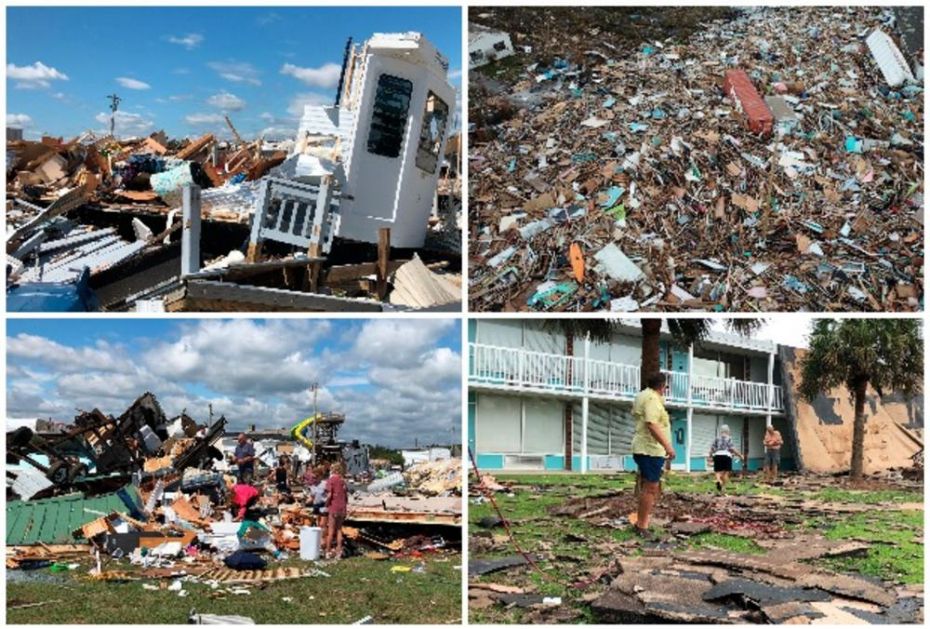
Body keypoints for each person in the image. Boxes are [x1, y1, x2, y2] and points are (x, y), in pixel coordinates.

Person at [630, 373, 675, 538]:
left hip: (645, 448)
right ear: (663, 386)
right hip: (650, 449)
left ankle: (641, 521)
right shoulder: (652, 399)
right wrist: (668, 446)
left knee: (647, 485)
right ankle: (641, 525)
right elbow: (652, 424)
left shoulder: (643, 395)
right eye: (665, 387)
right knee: (651, 487)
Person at [707, 425, 743, 494]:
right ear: (728, 431)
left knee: (717, 471)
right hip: (726, 456)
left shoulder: (716, 438)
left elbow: (712, 449)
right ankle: (723, 488)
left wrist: (710, 456)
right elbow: (732, 449)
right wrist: (740, 455)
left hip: (717, 455)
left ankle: (718, 480)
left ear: (721, 431)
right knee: (726, 473)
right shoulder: (729, 438)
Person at [323, 462, 348, 559]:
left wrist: (326, 504)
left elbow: (329, 495)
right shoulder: (343, 481)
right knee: (339, 530)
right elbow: (346, 496)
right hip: (342, 507)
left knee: (331, 530)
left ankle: (328, 551)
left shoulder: (331, 480)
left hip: (334, 507)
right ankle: (339, 551)